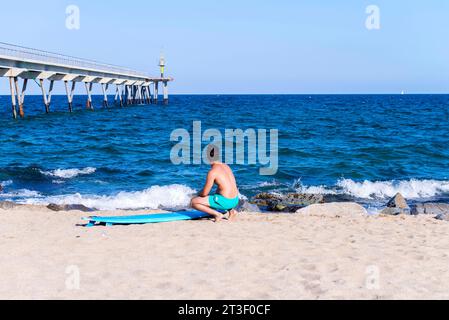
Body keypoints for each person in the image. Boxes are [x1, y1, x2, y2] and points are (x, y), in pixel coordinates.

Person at [191, 145, 239, 222]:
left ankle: (217, 214)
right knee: (220, 190)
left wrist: (196, 194)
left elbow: (204, 193)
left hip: (226, 202)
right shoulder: (226, 166)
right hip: (235, 200)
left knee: (194, 202)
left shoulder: (212, 172)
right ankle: (232, 211)